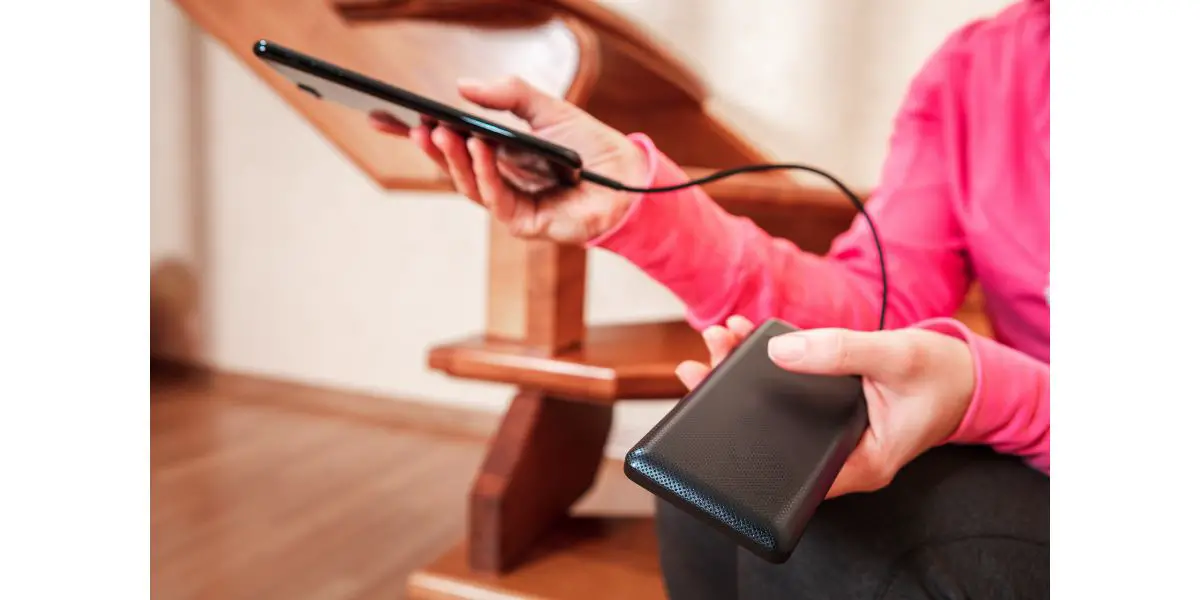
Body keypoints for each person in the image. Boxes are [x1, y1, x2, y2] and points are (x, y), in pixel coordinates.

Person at [375, 0, 1049, 597]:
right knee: (719, 481)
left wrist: (991, 396)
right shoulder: (977, 66)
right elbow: (880, 308)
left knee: (846, 540)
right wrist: (637, 202)